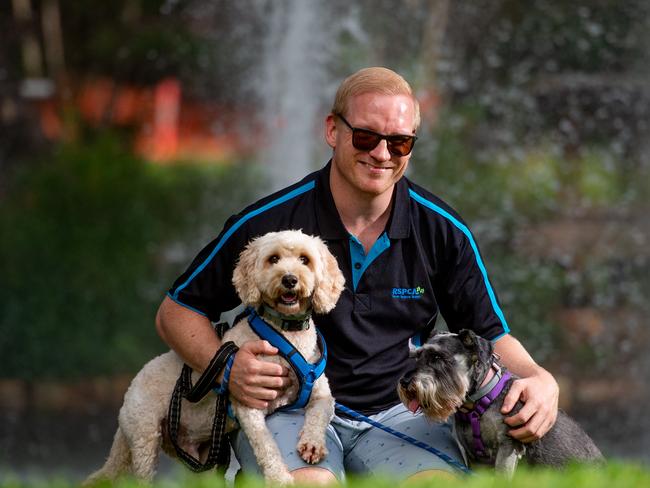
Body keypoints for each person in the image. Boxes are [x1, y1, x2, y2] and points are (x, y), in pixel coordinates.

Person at [155, 67, 559, 484]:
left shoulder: (443, 230)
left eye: (399, 142)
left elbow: (489, 334)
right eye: (366, 137)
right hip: (291, 409)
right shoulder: (271, 223)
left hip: (405, 411)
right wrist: (226, 366)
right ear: (333, 130)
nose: (382, 154)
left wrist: (539, 377)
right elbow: (176, 311)